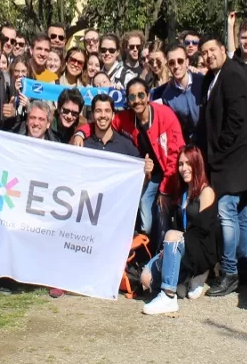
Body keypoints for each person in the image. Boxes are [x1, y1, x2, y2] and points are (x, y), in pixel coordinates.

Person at [70, 78, 185, 242]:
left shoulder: (165, 115)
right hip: (149, 173)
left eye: (140, 95)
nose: (137, 100)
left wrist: (165, 190)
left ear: (148, 96)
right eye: (132, 97)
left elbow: (175, 153)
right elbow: (100, 122)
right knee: (146, 222)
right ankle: (144, 250)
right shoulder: (124, 118)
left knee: (163, 212)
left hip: (170, 173)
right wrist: (80, 133)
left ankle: (161, 255)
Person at [198, 35, 247, 297]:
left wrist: (220, 149)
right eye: (204, 52)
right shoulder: (211, 77)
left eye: (212, 50)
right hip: (231, 157)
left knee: (226, 208)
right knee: (241, 212)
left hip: (237, 156)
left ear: (223, 49)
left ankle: (230, 271)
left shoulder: (233, 74)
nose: (209, 55)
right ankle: (246, 267)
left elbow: (235, 119)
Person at [140, 146, 219, 315]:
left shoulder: (207, 191)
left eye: (188, 163)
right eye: (181, 164)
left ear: (197, 164)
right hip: (182, 246)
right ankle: (183, 280)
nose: (184, 168)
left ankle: (169, 296)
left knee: (171, 235)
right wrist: (168, 250)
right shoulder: (182, 192)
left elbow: (203, 230)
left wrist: (174, 240)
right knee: (145, 279)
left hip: (201, 248)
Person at [152, 43, 206, 143]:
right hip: (189, 144)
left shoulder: (202, 82)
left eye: (180, 61)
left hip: (210, 140)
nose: (176, 66)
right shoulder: (167, 95)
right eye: (172, 63)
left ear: (187, 62)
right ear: (168, 65)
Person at [80, 93, 141, 157]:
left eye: (107, 111)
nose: (103, 115)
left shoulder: (127, 145)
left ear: (113, 116)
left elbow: (139, 164)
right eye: (98, 111)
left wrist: (147, 165)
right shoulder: (83, 146)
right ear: (92, 115)